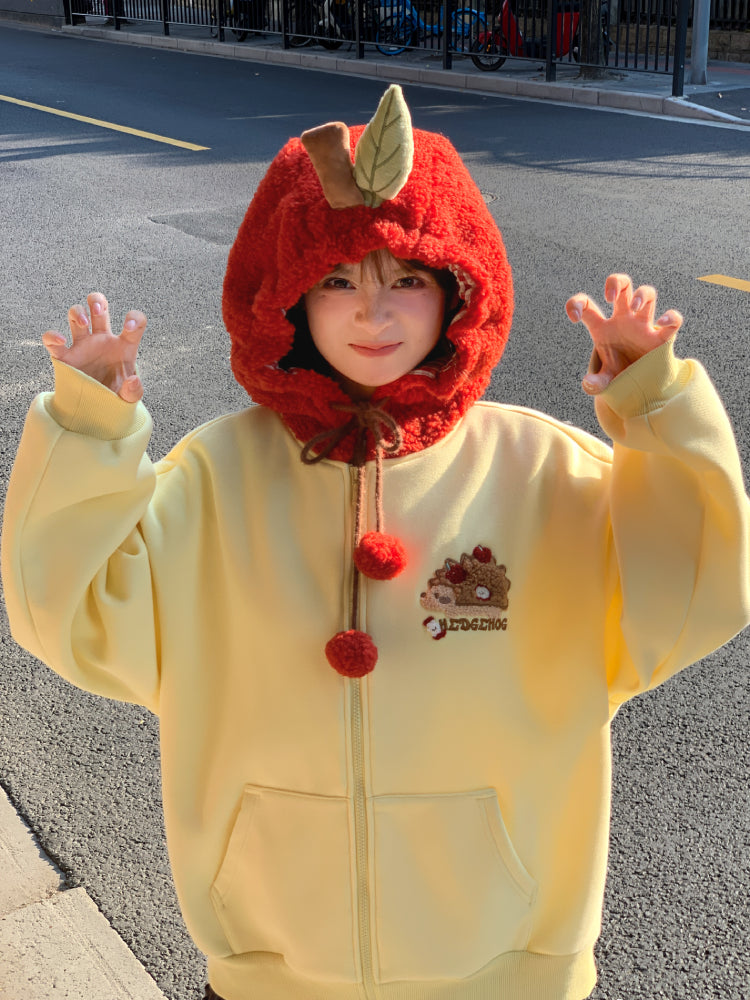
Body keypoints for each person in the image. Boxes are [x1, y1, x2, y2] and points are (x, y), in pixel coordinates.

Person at [2, 85, 749, 1000]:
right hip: (268, 973)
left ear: (459, 289)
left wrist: (655, 407)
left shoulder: (542, 473)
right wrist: (88, 434)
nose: (373, 313)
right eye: (336, 281)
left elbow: (695, 589)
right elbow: (66, 613)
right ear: (285, 297)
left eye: (407, 280)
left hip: (511, 970)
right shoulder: (215, 481)